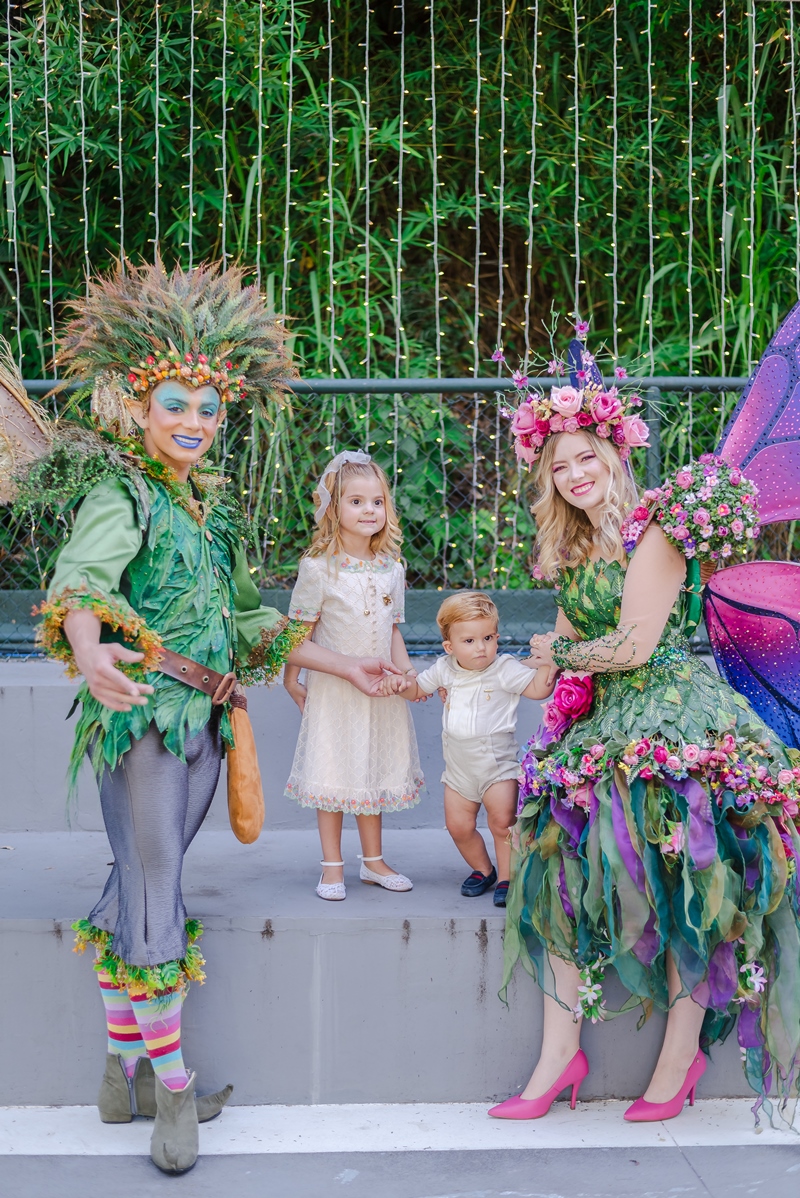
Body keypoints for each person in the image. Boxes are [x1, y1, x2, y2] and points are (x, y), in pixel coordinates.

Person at [10, 261, 403, 1175]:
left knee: (136, 885)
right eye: (176, 405)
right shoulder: (125, 493)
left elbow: (249, 621)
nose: (193, 422)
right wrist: (89, 646)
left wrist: (344, 661)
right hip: (145, 719)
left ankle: (120, 1073)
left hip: (206, 725)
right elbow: (82, 581)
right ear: (140, 408)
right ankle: (174, 1097)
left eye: (208, 410)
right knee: (156, 899)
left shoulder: (209, 514)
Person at [492, 354, 800, 1126]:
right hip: (602, 722)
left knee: (680, 868)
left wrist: (555, 656)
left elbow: (630, 646)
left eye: (587, 458)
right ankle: (559, 1055)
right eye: (559, 465)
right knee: (550, 868)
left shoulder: (655, 527)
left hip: (671, 712)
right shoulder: (568, 550)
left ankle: (679, 1055)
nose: (574, 474)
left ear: (615, 455)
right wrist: (496, 680)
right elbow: (559, 654)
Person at [284, 452, 422, 900]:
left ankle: (373, 861)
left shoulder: (392, 567)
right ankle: (331, 865)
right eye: (356, 501)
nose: (369, 511)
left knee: (374, 773)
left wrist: (407, 673)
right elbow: (296, 636)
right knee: (334, 775)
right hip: (335, 691)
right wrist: (292, 679)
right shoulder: (318, 569)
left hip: (381, 691)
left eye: (377, 502)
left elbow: (393, 631)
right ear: (332, 509)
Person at [384, 591, 556, 906]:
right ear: (450, 646)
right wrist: (400, 684)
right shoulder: (444, 668)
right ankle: (482, 869)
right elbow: (417, 689)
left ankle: (506, 877)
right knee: (458, 826)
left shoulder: (504, 667)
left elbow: (537, 689)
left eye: (488, 637)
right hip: (459, 770)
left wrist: (548, 663)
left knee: (501, 822)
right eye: (469, 641)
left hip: (497, 767)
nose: (481, 647)